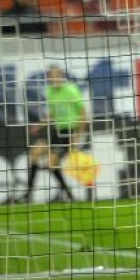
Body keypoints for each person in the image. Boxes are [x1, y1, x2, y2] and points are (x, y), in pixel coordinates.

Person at [18, 66, 87, 203]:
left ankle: (68, 194)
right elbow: (53, 113)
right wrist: (40, 124)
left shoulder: (71, 90)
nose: (53, 79)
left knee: (51, 163)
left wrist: (77, 137)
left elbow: (83, 114)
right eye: (51, 77)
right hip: (56, 131)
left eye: (56, 76)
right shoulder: (49, 92)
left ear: (61, 76)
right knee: (35, 153)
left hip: (70, 132)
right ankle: (28, 194)